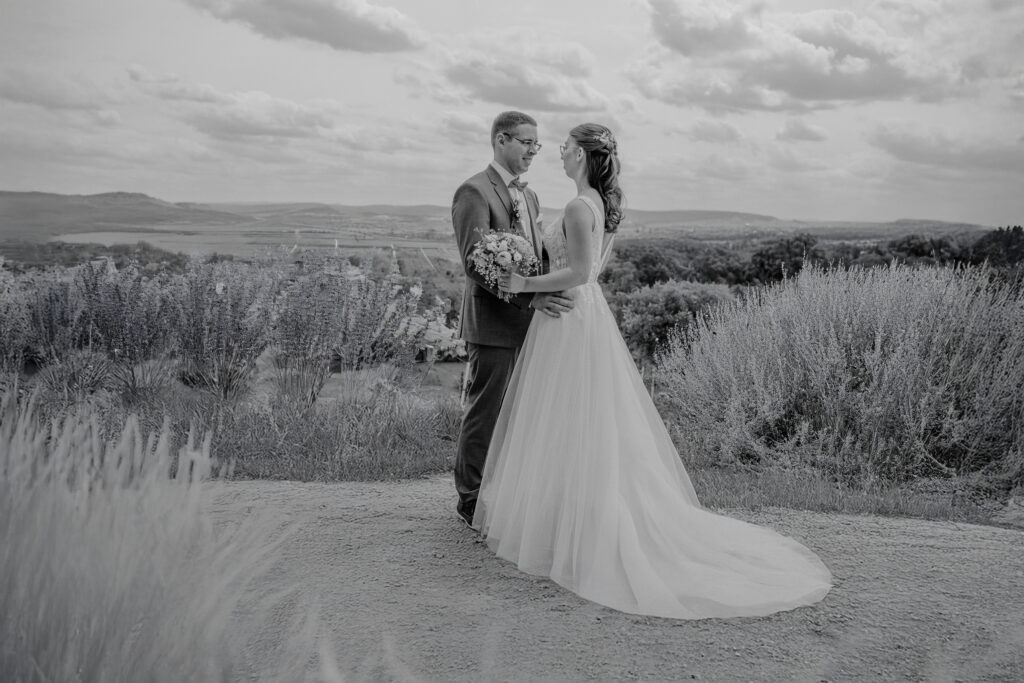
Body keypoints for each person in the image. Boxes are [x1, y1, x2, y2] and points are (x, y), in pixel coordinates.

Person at [475, 123, 833, 619]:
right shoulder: (602, 204)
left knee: (569, 416)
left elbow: (581, 273)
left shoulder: (580, 207)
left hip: (569, 316)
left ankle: (578, 525)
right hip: (583, 316)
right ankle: (571, 516)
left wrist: (521, 279)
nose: (556, 154)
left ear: (580, 155)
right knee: (584, 420)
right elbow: (594, 269)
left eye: (562, 149)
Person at [450, 111, 575, 528]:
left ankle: (504, 492)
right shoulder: (473, 191)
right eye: (526, 143)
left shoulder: (531, 196)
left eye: (536, 145)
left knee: (519, 415)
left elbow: (534, 257)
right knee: (486, 412)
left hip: (530, 324)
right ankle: (470, 499)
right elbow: (475, 263)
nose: (532, 152)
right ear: (501, 141)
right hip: (493, 325)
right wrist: (531, 300)